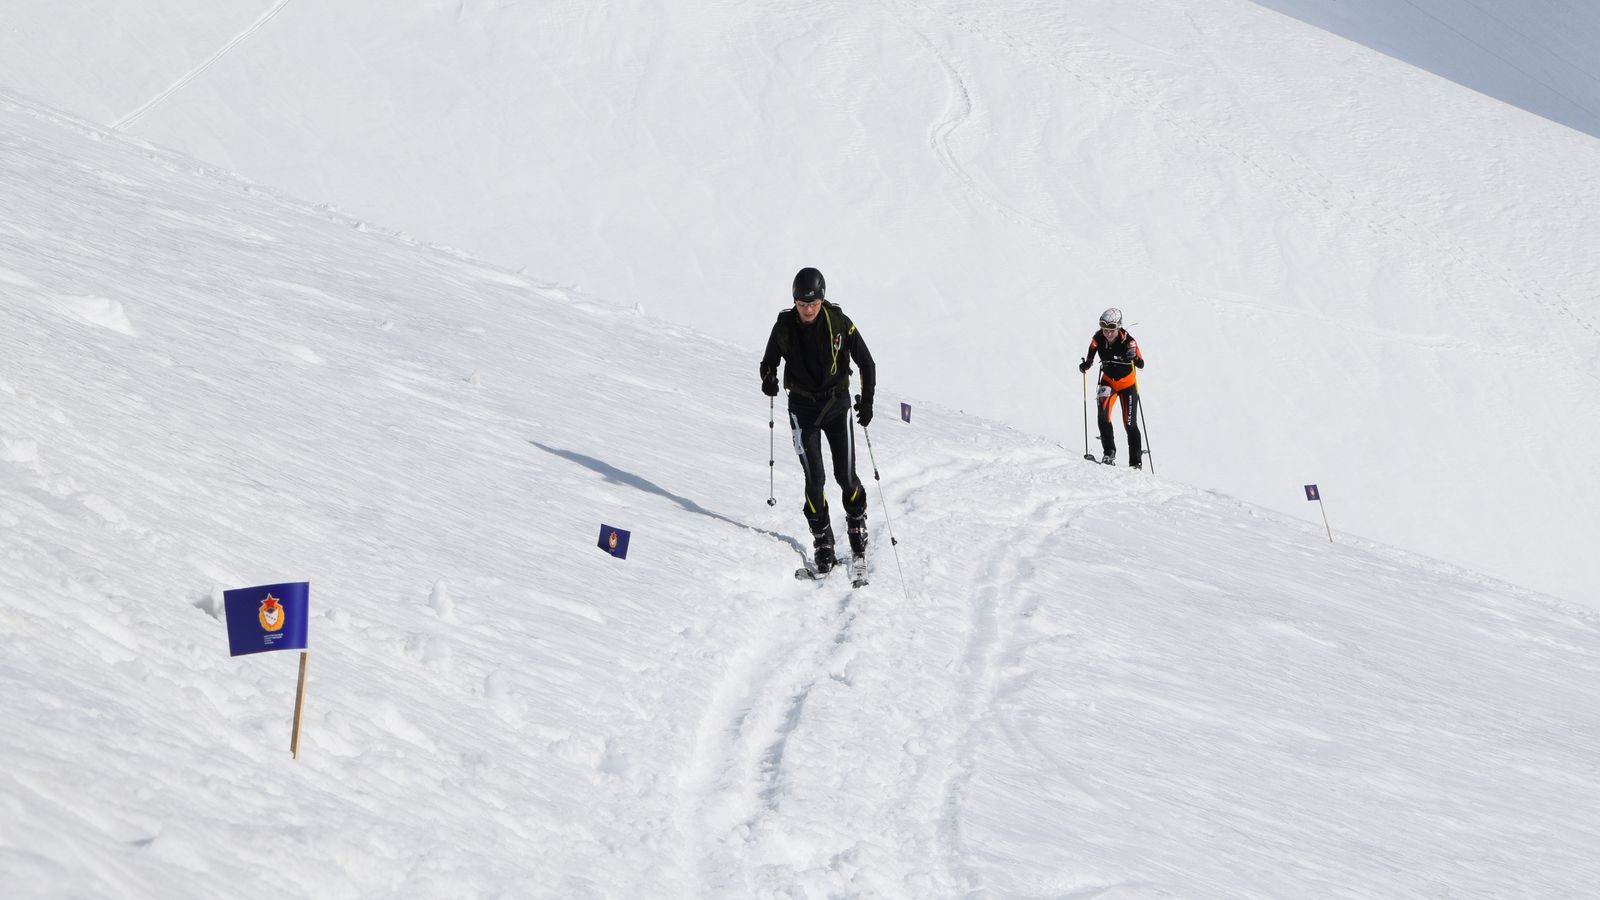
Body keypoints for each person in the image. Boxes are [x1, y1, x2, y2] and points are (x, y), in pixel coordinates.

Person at [760, 267, 877, 573]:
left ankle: (856, 524)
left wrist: (867, 401)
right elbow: (768, 362)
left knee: (845, 476)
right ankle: (822, 541)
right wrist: (768, 379)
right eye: (802, 304)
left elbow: (866, 362)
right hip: (802, 409)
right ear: (795, 302)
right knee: (815, 481)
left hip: (837, 407)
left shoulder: (838, 321)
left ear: (822, 300)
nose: (808, 309)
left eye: (813, 304)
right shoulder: (784, 326)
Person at [1078, 307, 1145, 468]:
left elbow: (1141, 365)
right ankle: (1109, 453)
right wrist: (1087, 364)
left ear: (1119, 327)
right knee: (1103, 415)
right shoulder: (1098, 338)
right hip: (1108, 381)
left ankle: (1135, 462)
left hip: (1127, 385)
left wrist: (1134, 357)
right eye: (1105, 329)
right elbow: (1092, 350)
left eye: (1112, 330)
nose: (1108, 334)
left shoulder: (1129, 342)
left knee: (1129, 423)